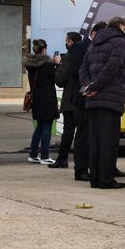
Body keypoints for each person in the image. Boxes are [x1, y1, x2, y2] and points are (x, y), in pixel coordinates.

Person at [80, 17, 125, 189]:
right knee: (109, 142)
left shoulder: (95, 41)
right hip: (110, 97)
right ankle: (106, 180)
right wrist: (96, 86)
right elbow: (112, 67)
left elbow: (83, 67)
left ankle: (95, 179)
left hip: (92, 99)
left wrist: (88, 86)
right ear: (121, 26)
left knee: (95, 142)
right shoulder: (120, 42)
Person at [66, 22, 103, 181]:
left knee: (96, 135)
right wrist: (91, 83)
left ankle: (99, 167)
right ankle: (80, 170)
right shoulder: (79, 47)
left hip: (97, 97)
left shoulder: (100, 47)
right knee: (83, 134)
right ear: (94, 33)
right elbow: (75, 71)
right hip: (82, 98)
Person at [50, 32, 82, 169]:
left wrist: (58, 65)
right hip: (83, 99)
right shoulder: (84, 54)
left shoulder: (68, 57)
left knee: (68, 131)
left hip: (70, 100)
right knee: (83, 132)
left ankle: (62, 159)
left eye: (66, 41)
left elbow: (60, 80)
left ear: (70, 42)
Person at [25, 39, 59, 164]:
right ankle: (45, 156)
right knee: (47, 127)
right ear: (45, 48)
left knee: (39, 127)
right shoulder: (47, 64)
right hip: (47, 98)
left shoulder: (30, 64)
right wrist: (57, 64)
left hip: (36, 98)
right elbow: (56, 78)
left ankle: (33, 154)